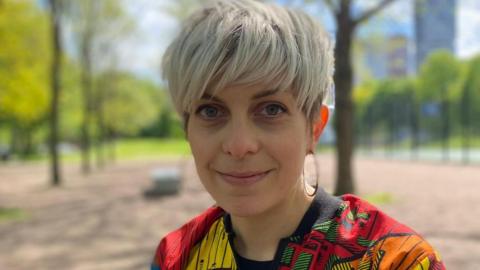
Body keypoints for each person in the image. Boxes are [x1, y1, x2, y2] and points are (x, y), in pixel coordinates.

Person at [151, 0, 445, 269]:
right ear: (187, 129)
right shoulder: (176, 256)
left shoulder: (396, 260)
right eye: (211, 111)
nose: (239, 145)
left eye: (271, 110)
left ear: (314, 127)